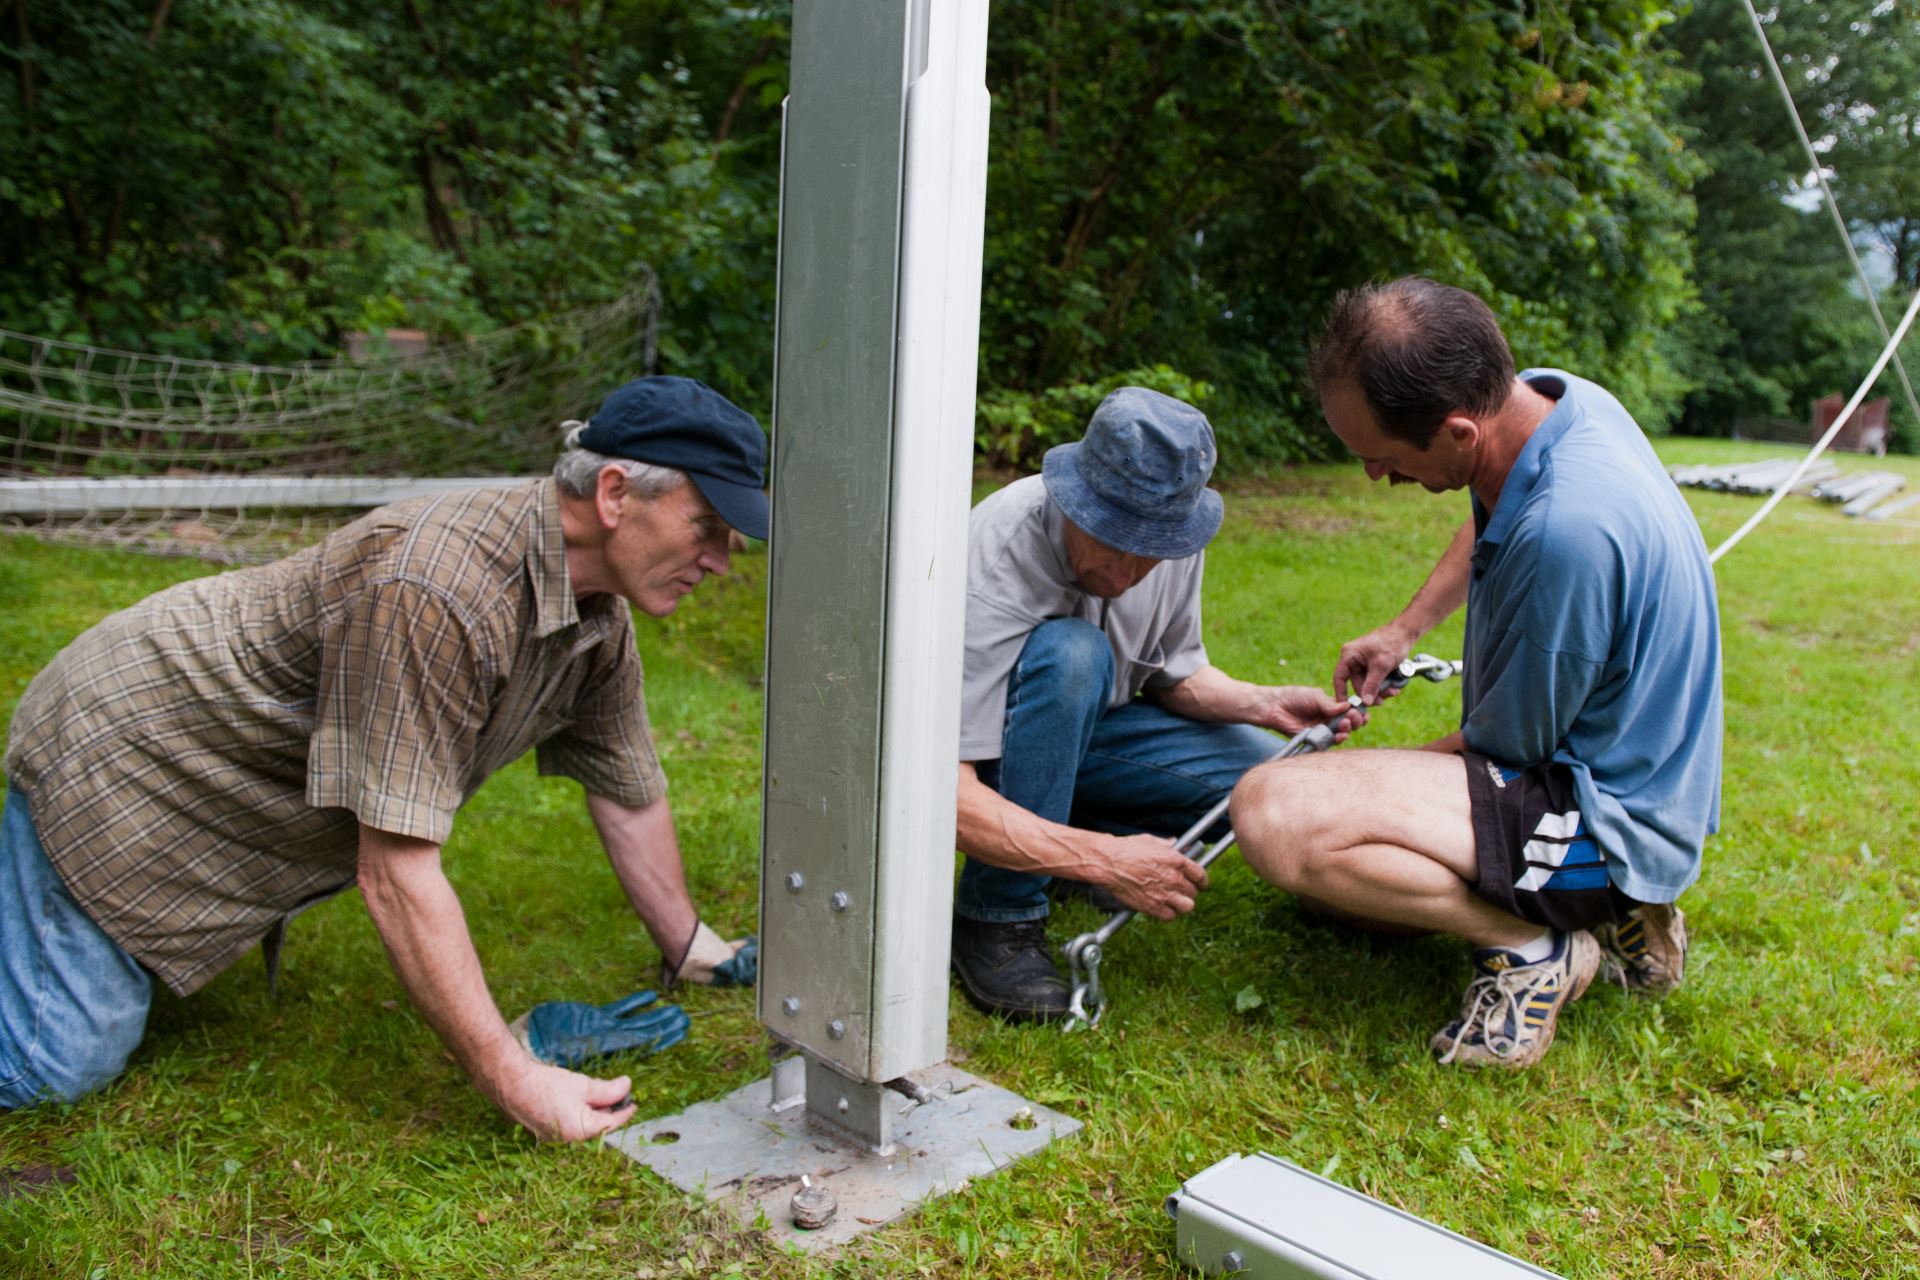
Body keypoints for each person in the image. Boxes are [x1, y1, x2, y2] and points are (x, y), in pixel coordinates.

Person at [2, 376, 765, 1138]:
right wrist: (518, 1079)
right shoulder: (439, 591)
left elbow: (625, 787)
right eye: (706, 525)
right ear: (612, 494)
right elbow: (395, 872)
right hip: (128, 752)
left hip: (217, 776)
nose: (722, 560)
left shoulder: (598, 617)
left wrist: (691, 948)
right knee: (49, 1061)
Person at [1230, 277, 1722, 1068]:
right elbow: (1496, 504)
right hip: (1620, 777)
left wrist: (1362, 783)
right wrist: (1403, 628)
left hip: (1607, 814)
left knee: (1275, 815)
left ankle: (1538, 949)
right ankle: (1617, 908)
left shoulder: (1568, 535)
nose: (1373, 478)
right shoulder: (1553, 405)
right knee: (1340, 897)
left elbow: (1508, 750)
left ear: (1460, 430)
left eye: (1383, 459)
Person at [951, 386, 1362, 1022]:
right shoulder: (997, 558)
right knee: (1075, 653)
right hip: (991, 757)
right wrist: (1104, 858)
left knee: (1266, 787)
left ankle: (1059, 839)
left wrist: (1265, 703)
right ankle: (997, 917)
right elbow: (938, 791)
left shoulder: (1176, 539)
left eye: (1150, 551)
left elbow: (1174, 678)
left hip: (1094, 737)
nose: (1123, 575)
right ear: (1071, 499)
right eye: (1111, 541)